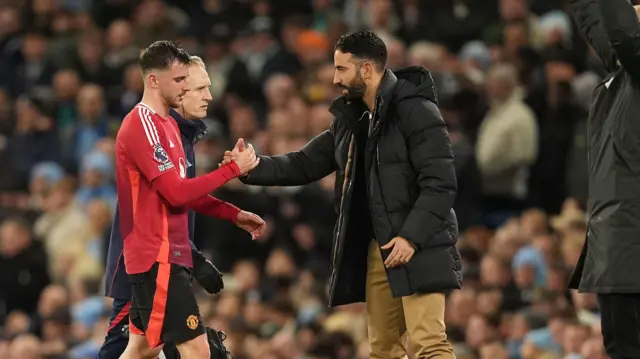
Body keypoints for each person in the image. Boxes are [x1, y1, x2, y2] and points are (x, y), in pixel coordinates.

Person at [222, 30, 460, 358]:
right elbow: (305, 163)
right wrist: (251, 167)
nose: (335, 79)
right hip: (380, 247)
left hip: (419, 243)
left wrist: (410, 237)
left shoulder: (416, 112)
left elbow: (440, 184)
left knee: (428, 343)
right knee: (382, 350)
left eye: (341, 69)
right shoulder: (353, 118)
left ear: (366, 70)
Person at [113, 41, 265, 359]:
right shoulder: (144, 125)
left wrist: (233, 214)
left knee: (141, 350)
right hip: (157, 255)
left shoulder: (167, 125)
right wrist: (233, 170)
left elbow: (183, 193)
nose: (185, 89)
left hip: (166, 254)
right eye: (180, 81)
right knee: (198, 350)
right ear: (154, 80)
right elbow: (176, 192)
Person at [568, 1, 640, 358]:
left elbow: (624, 36)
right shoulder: (624, 76)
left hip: (630, 244)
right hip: (619, 245)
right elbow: (604, 29)